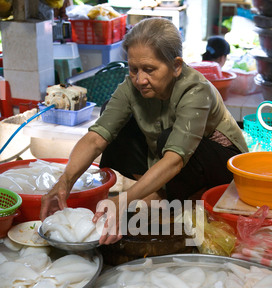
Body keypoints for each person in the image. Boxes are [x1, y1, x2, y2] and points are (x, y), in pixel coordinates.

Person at [40, 18, 248, 245]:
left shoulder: (195, 90)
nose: (140, 79)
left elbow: (175, 160)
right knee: (114, 121)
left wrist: (124, 200)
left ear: (176, 66)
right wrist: (65, 181)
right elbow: (96, 138)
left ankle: (171, 197)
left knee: (170, 140)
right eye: (133, 69)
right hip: (166, 154)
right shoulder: (132, 87)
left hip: (220, 164)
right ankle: (159, 192)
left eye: (149, 70)